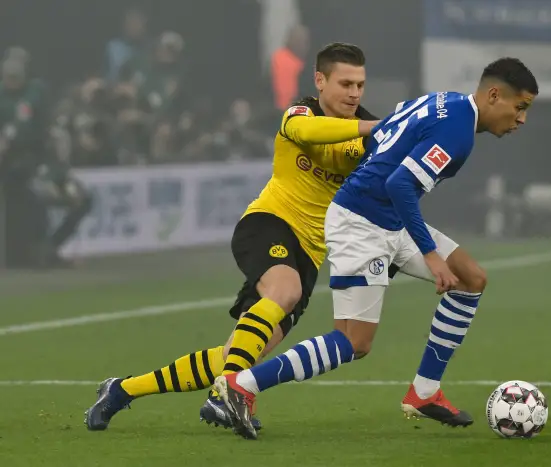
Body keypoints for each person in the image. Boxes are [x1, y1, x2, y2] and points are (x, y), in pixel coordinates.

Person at [214, 57, 539, 440]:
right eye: (520, 107)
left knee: (471, 279)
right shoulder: (458, 132)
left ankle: (424, 392)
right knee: (354, 342)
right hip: (361, 222)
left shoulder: (446, 102)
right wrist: (430, 254)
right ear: (494, 95)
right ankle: (241, 385)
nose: (521, 119)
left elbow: (386, 132)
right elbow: (399, 184)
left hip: (387, 217)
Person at [84, 42, 381, 432]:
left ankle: (121, 390)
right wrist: (374, 128)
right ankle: (224, 396)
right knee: (285, 291)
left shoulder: (374, 134)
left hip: (310, 254)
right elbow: (305, 131)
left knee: (237, 356)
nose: (354, 93)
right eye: (345, 83)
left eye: (360, 85)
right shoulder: (303, 112)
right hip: (269, 223)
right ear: (320, 81)